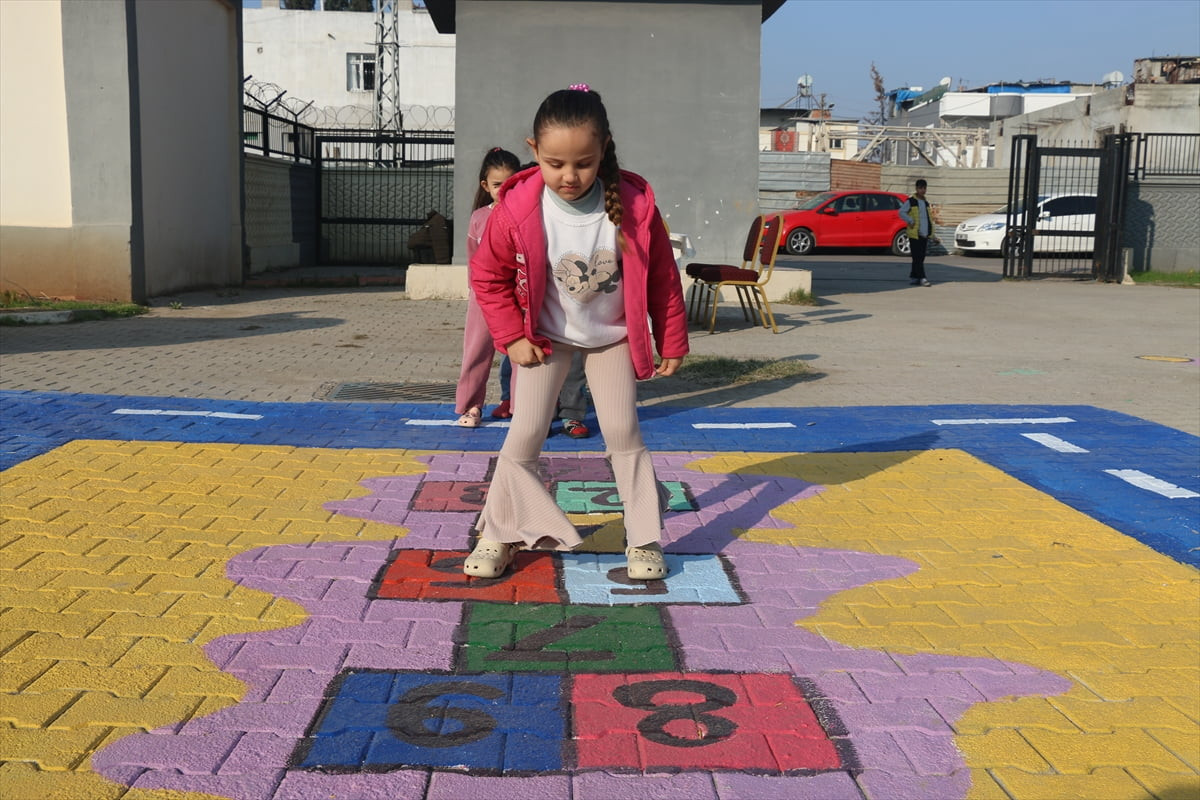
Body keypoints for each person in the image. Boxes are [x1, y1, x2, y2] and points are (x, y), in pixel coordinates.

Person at [466, 84, 688, 581]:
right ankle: (498, 533)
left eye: (584, 163)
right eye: (555, 163)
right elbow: (487, 276)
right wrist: (512, 337)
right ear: (533, 150)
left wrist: (671, 338)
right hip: (544, 338)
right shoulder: (517, 207)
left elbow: (662, 278)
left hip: (611, 337)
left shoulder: (634, 205)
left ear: (604, 148)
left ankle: (644, 539)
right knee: (524, 435)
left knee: (624, 434)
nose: (569, 176)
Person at [454, 147, 521, 427]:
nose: (503, 190)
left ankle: (522, 408)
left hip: (518, 298)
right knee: (476, 351)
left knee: (521, 355)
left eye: (510, 184)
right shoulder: (479, 217)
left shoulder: (525, 215)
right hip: (483, 298)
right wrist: (476, 292)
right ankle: (471, 406)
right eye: (497, 185)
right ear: (485, 185)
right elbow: (473, 259)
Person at [899, 178, 939, 287]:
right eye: (920, 188)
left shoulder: (926, 203)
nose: (923, 190)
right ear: (916, 188)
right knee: (917, 257)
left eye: (924, 188)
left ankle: (914, 277)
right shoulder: (911, 201)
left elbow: (928, 220)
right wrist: (910, 220)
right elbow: (901, 212)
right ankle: (922, 278)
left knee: (920, 258)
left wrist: (932, 235)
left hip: (924, 234)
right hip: (914, 234)